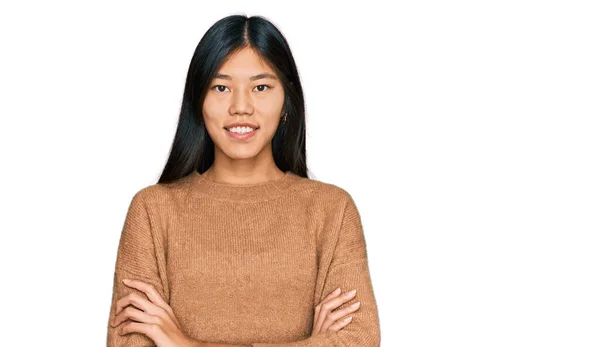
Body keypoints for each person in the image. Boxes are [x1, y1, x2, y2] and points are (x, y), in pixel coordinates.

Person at [106, 14, 381, 347]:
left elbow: (358, 341)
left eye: (260, 87)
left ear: (286, 103)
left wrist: (184, 344)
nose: (240, 107)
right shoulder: (152, 211)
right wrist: (314, 342)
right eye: (221, 87)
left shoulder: (332, 211)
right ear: (199, 100)